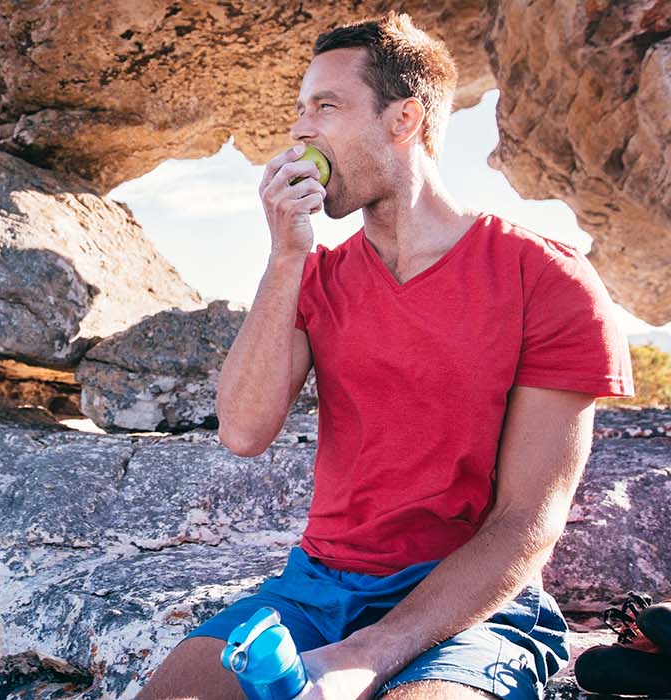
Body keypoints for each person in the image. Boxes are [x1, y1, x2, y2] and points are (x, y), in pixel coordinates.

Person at [135, 12, 635, 700]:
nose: (299, 131)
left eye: (326, 107)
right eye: (300, 110)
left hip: (470, 606)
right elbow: (244, 432)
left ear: (404, 120)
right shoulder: (314, 276)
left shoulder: (547, 280)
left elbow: (529, 519)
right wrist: (286, 257)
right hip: (315, 589)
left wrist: (368, 654)